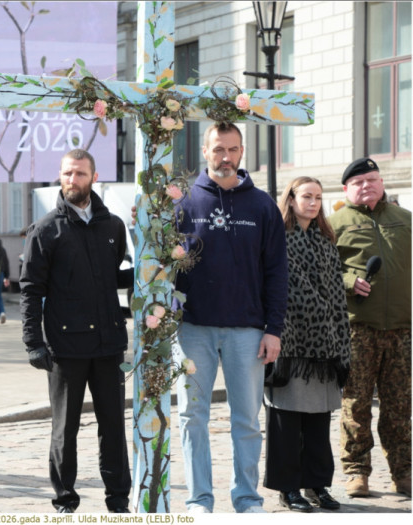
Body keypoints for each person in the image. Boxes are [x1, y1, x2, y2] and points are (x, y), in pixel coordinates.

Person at [172, 123, 288, 513]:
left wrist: (274, 329)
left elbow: (277, 272)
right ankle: (199, 501)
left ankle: (247, 499)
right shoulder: (183, 202)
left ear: (242, 152)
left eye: (233, 149)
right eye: (218, 149)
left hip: (248, 331)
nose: (226, 157)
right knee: (192, 417)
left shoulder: (262, 205)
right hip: (193, 329)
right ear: (205, 151)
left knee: (247, 420)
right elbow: (163, 265)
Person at [20, 149, 133, 513]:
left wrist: (150, 274)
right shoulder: (45, 229)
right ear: (60, 175)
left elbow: (110, 277)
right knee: (64, 430)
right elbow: (30, 289)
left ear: (94, 177)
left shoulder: (113, 225)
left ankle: (118, 501)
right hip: (65, 348)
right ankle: (65, 501)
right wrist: (33, 343)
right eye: (67, 173)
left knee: (113, 427)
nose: (73, 179)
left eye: (80, 173)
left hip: (109, 344)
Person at [262, 177, 350, 512]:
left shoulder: (326, 241)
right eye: (306, 196)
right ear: (291, 199)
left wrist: (340, 342)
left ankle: (317, 484)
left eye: (318, 197)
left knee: (318, 422)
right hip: (288, 342)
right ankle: (288, 488)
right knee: (285, 421)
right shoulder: (276, 238)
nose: (313, 203)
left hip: (325, 344)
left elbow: (336, 294)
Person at [329, 157, 411, 498]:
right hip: (358, 328)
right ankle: (356, 471)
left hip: (402, 328)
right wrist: (350, 282)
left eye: (372, 180)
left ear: (382, 183)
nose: (367, 186)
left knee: (400, 406)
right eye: (359, 182)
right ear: (346, 189)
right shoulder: (335, 223)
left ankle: (403, 473)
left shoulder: (405, 220)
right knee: (356, 405)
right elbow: (323, 271)